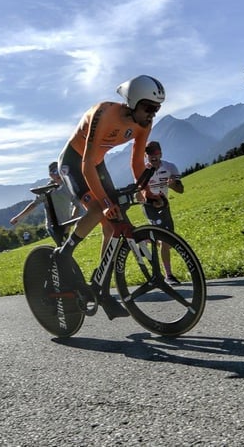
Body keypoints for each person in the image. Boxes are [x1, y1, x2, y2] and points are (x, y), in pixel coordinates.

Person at [52, 74, 164, 319]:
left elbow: (136, 162)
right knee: (98, 209)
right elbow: (85, 164)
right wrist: (104, 204)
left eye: (156, 109)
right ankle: (64, 253)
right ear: (133, 102)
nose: (152, 114)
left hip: (97, 164)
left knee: (115, 225)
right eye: (148, 108)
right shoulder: (104, 113)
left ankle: (100, 287)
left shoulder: (143, 125)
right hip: (74, 162)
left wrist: (146, 190)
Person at [141, 141, 185, 284]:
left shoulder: (170, 167)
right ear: (145, 156)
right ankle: (169, 275)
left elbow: (181, 190)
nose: (153, 159)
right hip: (149, 205)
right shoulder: (142, 169)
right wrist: (149, 198)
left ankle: (145, 239)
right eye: (150, 156)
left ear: (161, 153)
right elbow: (138, 193)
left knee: (168, 241)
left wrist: (173, 185)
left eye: (156, 155)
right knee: (164, 239)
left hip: (164, 205)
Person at [10, 161, 83, 243]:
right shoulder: (46, 190)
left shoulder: (68, 187)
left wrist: (72, 220)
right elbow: (34, 204)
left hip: (66, 225)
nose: (58, 174)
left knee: (65, 248)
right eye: (55, 171)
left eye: (60, 170)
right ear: (51, 175)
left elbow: (77, 204)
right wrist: (18, 217)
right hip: (53, 226)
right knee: (62, 246)